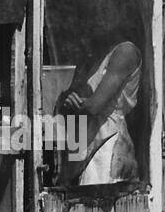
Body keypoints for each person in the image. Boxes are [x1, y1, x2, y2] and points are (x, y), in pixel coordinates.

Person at [56, 41, 142, 186]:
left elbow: (94, 106)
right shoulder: (99, 55)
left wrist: (74, 104)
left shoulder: (125, 51)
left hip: (108, 140)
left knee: (98, 199)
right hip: (90, 137)